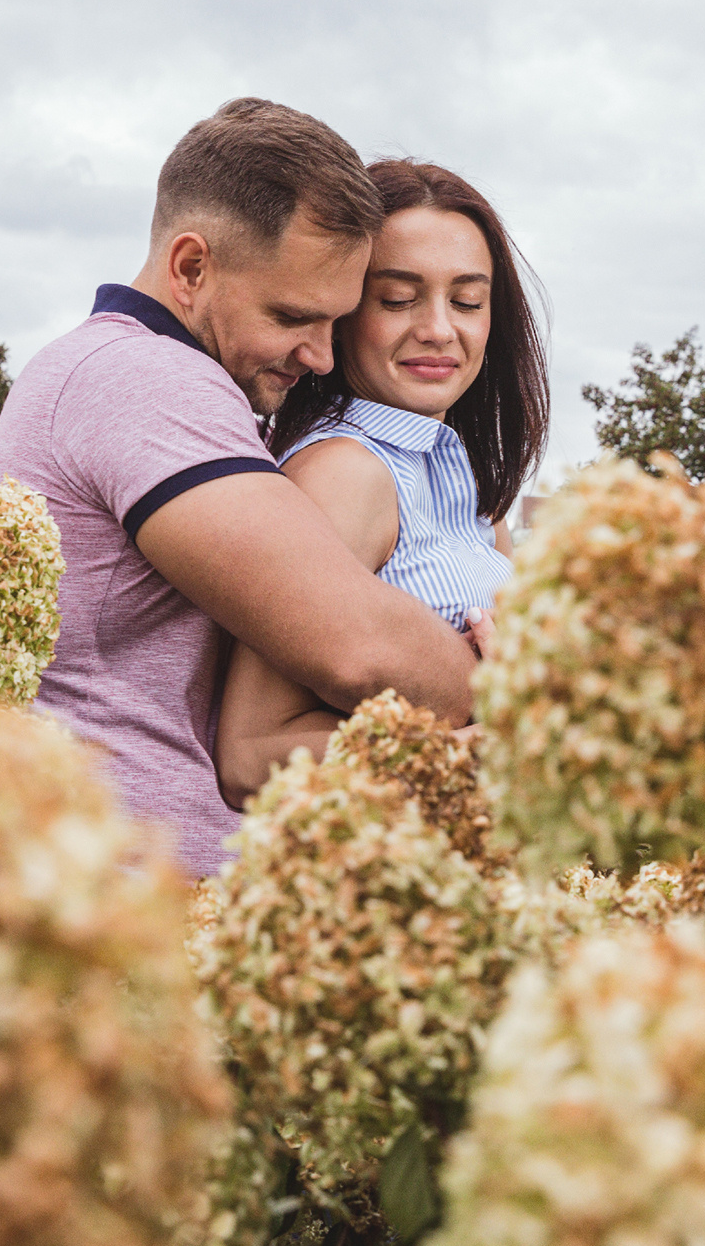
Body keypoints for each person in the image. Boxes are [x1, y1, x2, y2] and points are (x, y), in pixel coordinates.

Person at [0, 99, 480, 878]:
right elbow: (355, 642)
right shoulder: (143, 378)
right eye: (293, 316)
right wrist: (526, 687)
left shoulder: (132, 378)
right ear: (190, 267)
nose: (320, 356)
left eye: (336, 322)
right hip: (118, 897)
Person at [214, 160, 551, 808]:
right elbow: (249, 753)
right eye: (397, 298)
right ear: (340, 311)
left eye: (468, 301)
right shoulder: (347, 473)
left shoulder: (473, 491)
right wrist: (471, 753)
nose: (439, 328)